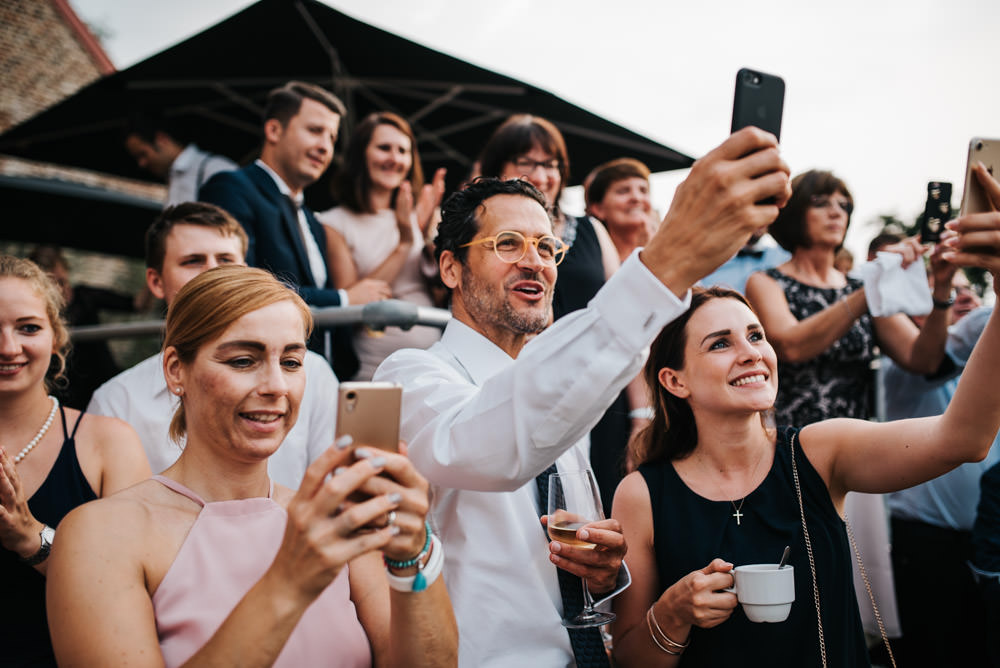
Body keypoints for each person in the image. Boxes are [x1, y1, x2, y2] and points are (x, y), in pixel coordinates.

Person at [374, 125, 793, 667]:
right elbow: (494, 448)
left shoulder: (558, 392)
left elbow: (573, 563)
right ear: (451, 267)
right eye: (508, 244)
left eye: (547, 246)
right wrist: (666, 264)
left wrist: (605, 573)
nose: (536, 262)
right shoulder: (408, 376)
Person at [610, 184, 1000, 665]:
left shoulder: (821, 451)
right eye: (720, 344)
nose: (752, 352)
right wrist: (671, 614)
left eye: (755, 335)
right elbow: (627, 659)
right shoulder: (641, 494)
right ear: (674, 380)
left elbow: (963, 438)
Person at [47, 266, 457, 667]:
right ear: (176, 371)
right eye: (244, 360)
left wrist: (411, 550)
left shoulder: (337, 521)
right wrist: (292, 579)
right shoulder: (100, 534)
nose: (277, 386)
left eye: (293, 362)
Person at [88, 202, 338, 488]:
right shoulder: (117, 401)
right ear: (156, 282)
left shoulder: (315, 374)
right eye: (193, 260)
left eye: (226, 260)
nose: (212, 273)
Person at [0, 255, 150, 667]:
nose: (8, 347)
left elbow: (134, 590)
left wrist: (30, 537)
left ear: (56, 337)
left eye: (28, 328)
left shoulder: (108, 443)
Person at [478, 114, 629, 514]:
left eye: (551, 164)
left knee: (600, 508)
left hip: (597, 387)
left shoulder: (593, 231)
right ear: (498, 168)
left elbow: (622, 319)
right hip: (519, 384)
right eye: (528, 162)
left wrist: (643, 411)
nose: (542, 174)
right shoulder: (476, 236)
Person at [198, 81, 390, 378]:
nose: (325, 146)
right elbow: (243, 283)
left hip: (324, 378)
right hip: (263, 373)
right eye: (315, 131)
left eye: (332, 137)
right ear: (274, 130)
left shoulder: (312, 220)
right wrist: (345, 300)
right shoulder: (232, 188)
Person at [745, 169, 953, 426]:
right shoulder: (766, 282)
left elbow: (923, 359)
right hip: (793, 444)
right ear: (793, 213)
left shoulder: (860, 286)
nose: (836, 212)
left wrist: (943, 288)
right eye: (820, 203)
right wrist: (872, 287)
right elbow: (791, 346)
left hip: (856, 448)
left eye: (844, 205)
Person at [883, 277, 994, 667]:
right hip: (929, 548)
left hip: (991, 542)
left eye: (969, 287)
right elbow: (976, 331)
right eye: (946, 293)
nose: (962, 294)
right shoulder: (906, 370)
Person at [317, 112, 445, 380]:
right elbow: (353, 304)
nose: (394, 159)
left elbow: (440, 294)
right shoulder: (333, 223)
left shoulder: (415, 216)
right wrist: (405, 244)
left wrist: (433, 237)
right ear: (361, 154)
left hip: (434, 362)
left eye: (403, 151)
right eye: (384, 148)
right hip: (373, 368)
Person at [28, 244, 147, 409]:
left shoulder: (85, 296)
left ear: (67, 272)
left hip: (103, 379)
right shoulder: (35, 313)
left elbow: (137, 305)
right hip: (65, 393)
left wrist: (156, 271)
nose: (60, 291)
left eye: (62, 282)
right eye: (52, 286)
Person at [124, 115, 237, 206]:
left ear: (161, 139)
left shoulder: (215, 168)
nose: (141, 163)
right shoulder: (173, 177)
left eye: (143, 154)